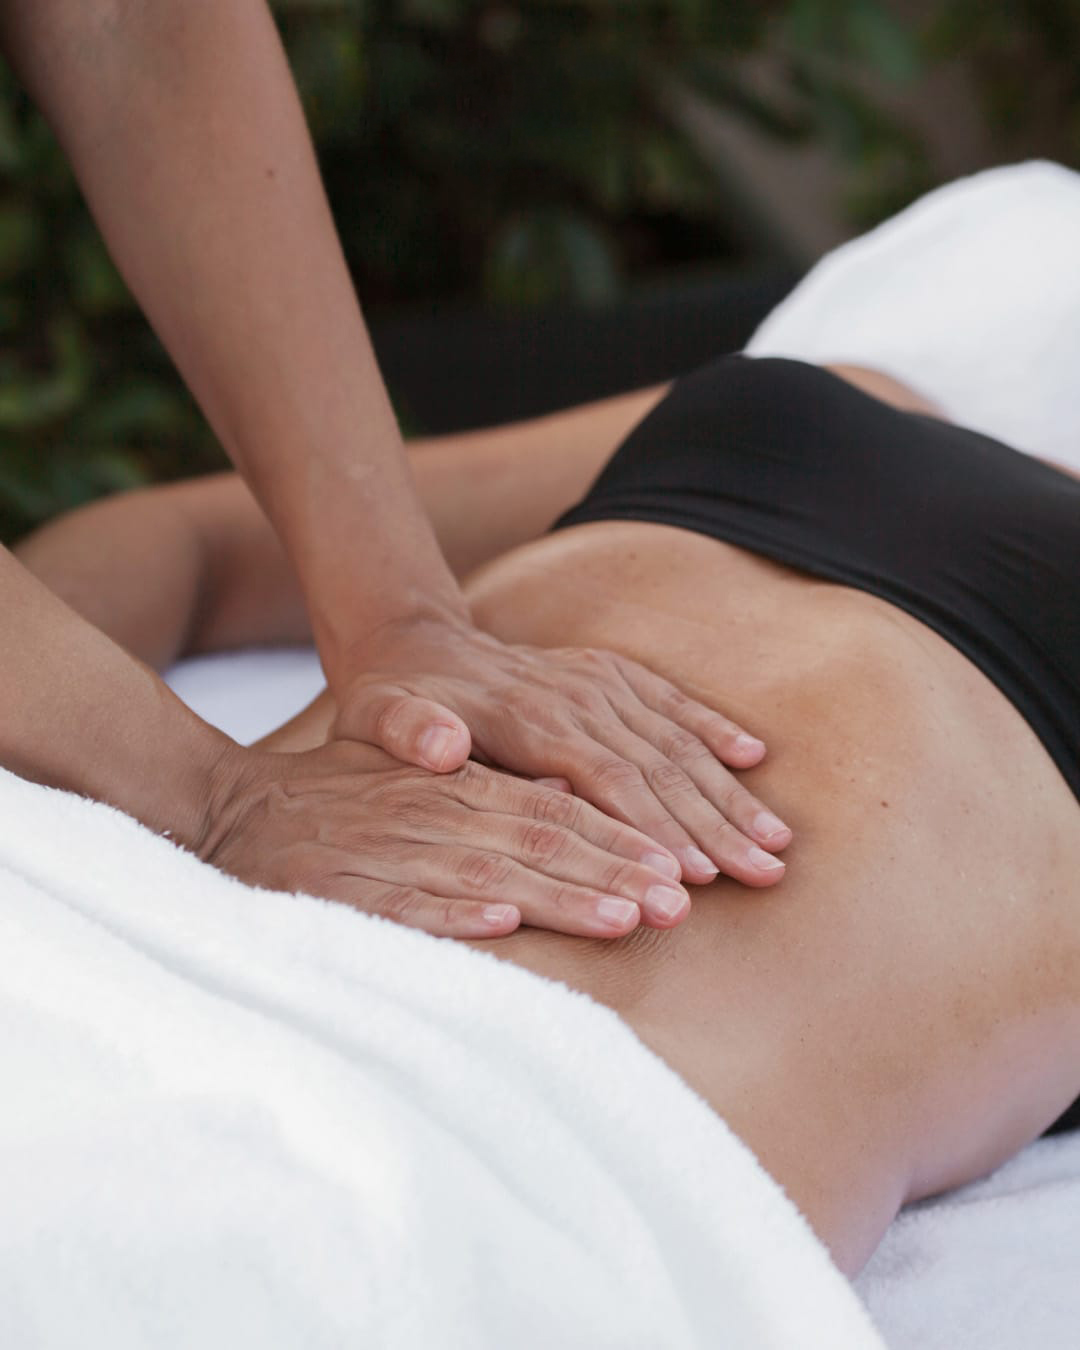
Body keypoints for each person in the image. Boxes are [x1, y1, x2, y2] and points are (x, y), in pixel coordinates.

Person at [19, 302, 1080, 1275]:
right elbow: (188, 544)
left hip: (532, 1145)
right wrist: (117, 795)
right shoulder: (860, 396)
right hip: (117, 925)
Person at [0, 0, 792, 936]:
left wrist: (396, 618)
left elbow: (133, 24)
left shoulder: (810, 420)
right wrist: (208, 797)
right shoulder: (803, 419)